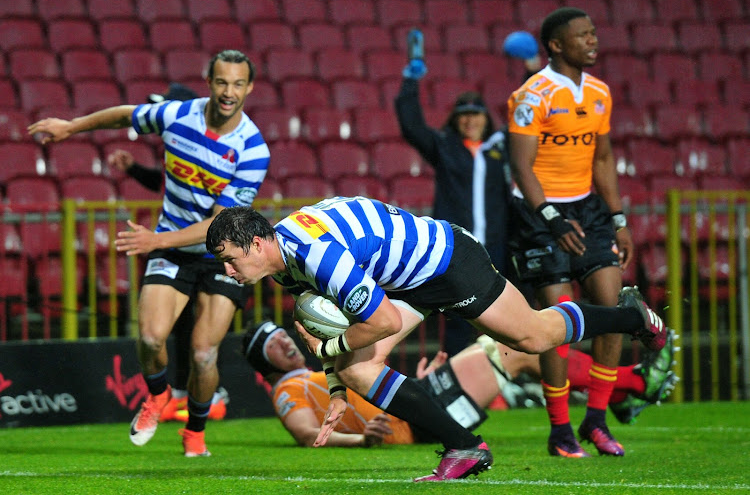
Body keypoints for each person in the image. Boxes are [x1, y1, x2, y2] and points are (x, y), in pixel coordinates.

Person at [204, 196, 667, 481]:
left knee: (534, 336)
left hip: (446, 264)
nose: (228, 272)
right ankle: (464, 447)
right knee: (357, 369)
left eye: (229, 260)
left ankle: (629, 317)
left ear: (258, 243)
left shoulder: (315, 256)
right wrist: (337, 385)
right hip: (408, 275)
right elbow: (345, 326)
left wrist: (329, 351)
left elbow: (381, 323)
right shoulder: (285, 263)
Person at [28, 49, 270, 457]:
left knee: (204, 352)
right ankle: (158, 396)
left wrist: (157, 241)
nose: (229, 92)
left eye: (238, 84)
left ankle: (195, 432)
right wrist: (72, 127)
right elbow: (125, 114)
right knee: (149, 336)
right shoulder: (177, 115)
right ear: (209, 82)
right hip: (173, 248)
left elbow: (219, 224)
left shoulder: (252, 150)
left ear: (249, 88)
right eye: (222, 82)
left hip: (222, 255)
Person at [506, 7, 636, 458]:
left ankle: (596, 422)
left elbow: (602, 160)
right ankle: (560, 430)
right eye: (583, 35)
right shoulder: (531, 94)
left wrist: (617, 219)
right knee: (557, 322)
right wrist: (551, 219)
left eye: (594, 33)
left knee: (613, 308)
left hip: (589, 209)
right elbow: (520, 166)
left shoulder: (600, 93)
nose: (593, 41)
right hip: (538, 213)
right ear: (557, 45)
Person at [242, 321, 677, 448]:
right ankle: (634, 383)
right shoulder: (287, 389)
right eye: (273, 343)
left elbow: (370, 388)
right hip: (406, 428)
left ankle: (625, 392)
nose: (284, 340)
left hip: (413, 408)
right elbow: (303, 433)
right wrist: (361, 442)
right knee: (519, 351)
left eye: (282, 334)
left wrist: (414, 387)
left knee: (511, 349)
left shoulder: (321, 368)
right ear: (263, 360)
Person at [394, 29, 541, 356]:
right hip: (457, 247)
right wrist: (410, 80)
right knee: (461, 317)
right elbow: (411, 125)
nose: (470, 121)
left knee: (504, 314)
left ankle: (505, 382)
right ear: (455, 121)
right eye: (463, 116)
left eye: (475, 114)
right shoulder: (445, 147)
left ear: (484, 118)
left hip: (497, 245)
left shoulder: (499, 145)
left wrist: (532, 68)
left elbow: (529, 111)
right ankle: (459, 383)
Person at [107, 148, 228, 423]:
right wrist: (134, 169)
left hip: (210, 252)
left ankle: (211, 399)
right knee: (172, 330)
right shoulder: (176, 156)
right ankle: (176, 393)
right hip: (177, 253)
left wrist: (159, 240)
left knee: (204, 342)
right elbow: (163, 181)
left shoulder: (215, 155)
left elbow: (218, 217)